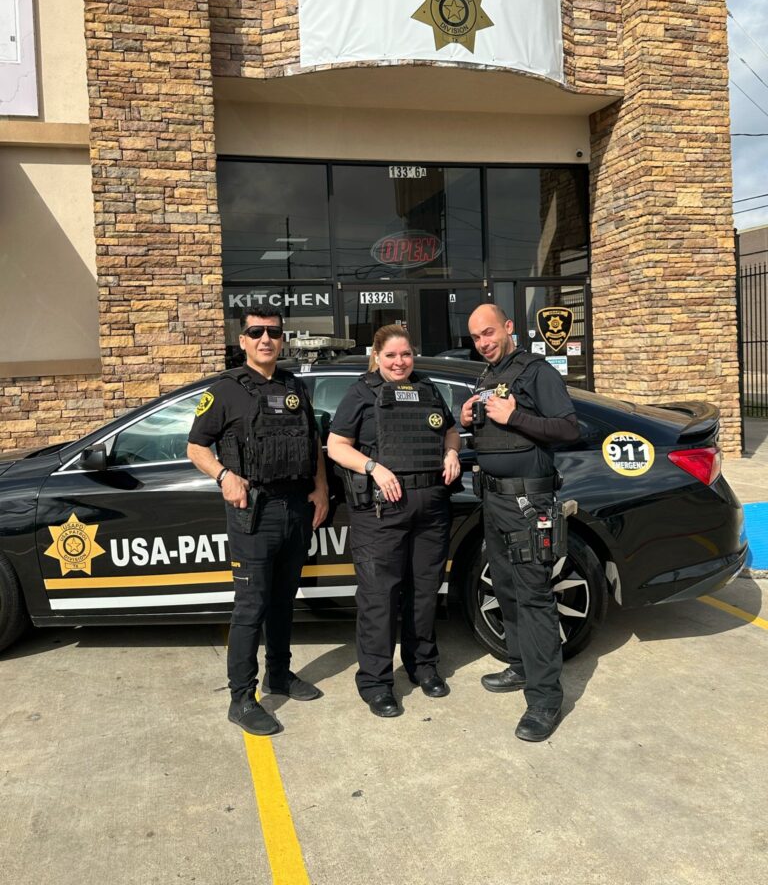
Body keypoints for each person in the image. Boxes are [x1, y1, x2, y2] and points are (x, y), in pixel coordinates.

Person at [187, 305, 329, 735]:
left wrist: (321, 488)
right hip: (255, 512)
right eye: (256, 332)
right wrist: (224, 476)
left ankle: (279, 674)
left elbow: (313, 442)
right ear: (243, 340)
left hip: (295, 509)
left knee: (284, 600)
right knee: (252, 606)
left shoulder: (295, 386)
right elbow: (196, 447)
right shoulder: (225, 390)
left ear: (282, 339)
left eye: (273, 332)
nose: (266, 339)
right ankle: (241, 698)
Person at [327, 325, 462, 718]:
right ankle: (375, 682)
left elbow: (451, 431)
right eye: (391, 356)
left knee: (424, 592)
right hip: (381, 511)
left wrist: (452, 453)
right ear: (377, 356)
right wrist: (373, 468)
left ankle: (423, 666)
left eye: (405, 354)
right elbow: (336, 446)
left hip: (430, 507)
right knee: (379, 597)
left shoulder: (428, 389)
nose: (399, 362)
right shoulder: (361, 393)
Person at [461, 304, 579, 742]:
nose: (483, 342)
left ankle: (545, 699)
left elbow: (568, 429)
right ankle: (520, 664)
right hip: (494, 500)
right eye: (476, 337)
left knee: (533, 596)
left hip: (528, 503)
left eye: (489, 332)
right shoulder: (487, 376)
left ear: (509, 327)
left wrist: (514, 418)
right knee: (506, 588)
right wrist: (467, 419)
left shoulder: (537, 371)